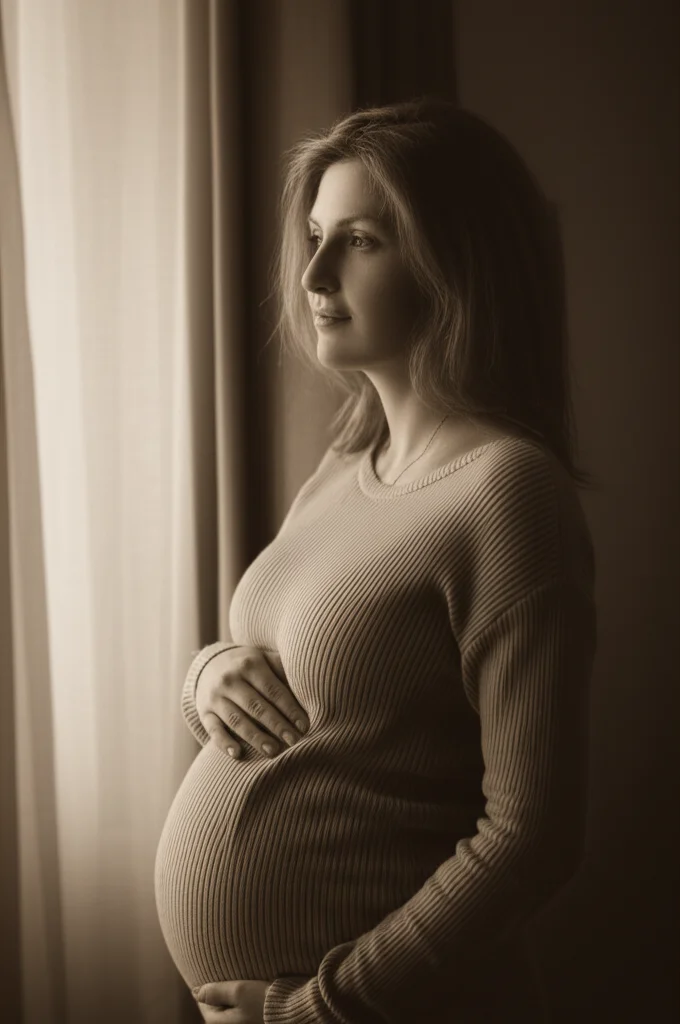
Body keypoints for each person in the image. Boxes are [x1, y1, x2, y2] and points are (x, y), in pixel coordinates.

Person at [154, 96, 598, 1024]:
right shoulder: (347, 467)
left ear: (454, 260)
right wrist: (207, 677)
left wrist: (321, 1006)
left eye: (358, 241)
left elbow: (531, 837)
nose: (313, 273)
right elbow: (310, 687)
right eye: (315, 234)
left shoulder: (508, 494)